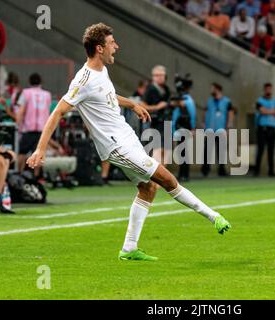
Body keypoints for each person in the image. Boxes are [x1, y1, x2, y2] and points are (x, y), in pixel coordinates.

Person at [26, 23, 231, 261]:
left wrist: (132, 104)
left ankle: (129, 248)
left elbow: (108, 96)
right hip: (115, 145)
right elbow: (58, 112)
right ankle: (212, 216)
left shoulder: (102, 70)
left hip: (127, 137)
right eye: (113, 43)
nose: (117, 47)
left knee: (148, 187)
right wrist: (40, 149)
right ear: (100, 48)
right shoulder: (82, 80)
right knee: (166, 178)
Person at [16, 73, 52, 176]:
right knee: (39, 153)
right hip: (43, 130)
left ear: (29, 82)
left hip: (28, 129)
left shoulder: (25, 93)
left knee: (22, 153)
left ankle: (19, 175)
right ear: (41, 82)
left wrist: (18, 127)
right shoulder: (47, 95)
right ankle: (36, 177)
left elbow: (20, 112)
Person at [201, 82, 235, 177]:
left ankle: (221, 170)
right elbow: (204, 111)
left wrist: (228, 127)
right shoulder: (209, 101)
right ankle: (205, 169)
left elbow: (230, 114)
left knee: (221, 151)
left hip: (221, 129)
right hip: (210, 129)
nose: (211, 90)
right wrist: (203, 123)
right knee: (207, 150)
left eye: (212, 88)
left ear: (217, 89)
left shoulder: (226, 101)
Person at [142, 66, 172, 164]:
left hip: (166, 121)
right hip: (155, 123)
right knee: (157, 149)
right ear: (153, 77)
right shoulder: (150, 89)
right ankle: (157, 176)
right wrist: (157, 107)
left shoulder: (166, 89)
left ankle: (164, 176)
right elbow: (142, 106)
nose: (159, 77)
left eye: (161, 75)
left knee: (167, 150)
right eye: (157, 75)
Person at [254, 83, 275, 177]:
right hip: (262, 128)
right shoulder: (260, 101)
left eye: (270, 89)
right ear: (264, 90)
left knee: (271, 150)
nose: (268, 91)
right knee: (261, 150)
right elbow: (262, 111)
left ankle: (271, 170)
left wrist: (269, 111)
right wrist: (272, 111)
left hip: (272, 128)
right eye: (267, 89)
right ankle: (256, 170)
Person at [172, 79, 196, 181]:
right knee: (181, 151)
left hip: (185, 127)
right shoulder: (184, 99)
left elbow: (192, 115)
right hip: (180, 127)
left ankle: (184, 174)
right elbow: (175, 116)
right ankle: (183, 174)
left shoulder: (187, 100)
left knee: (184, 152)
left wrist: (192, 128)